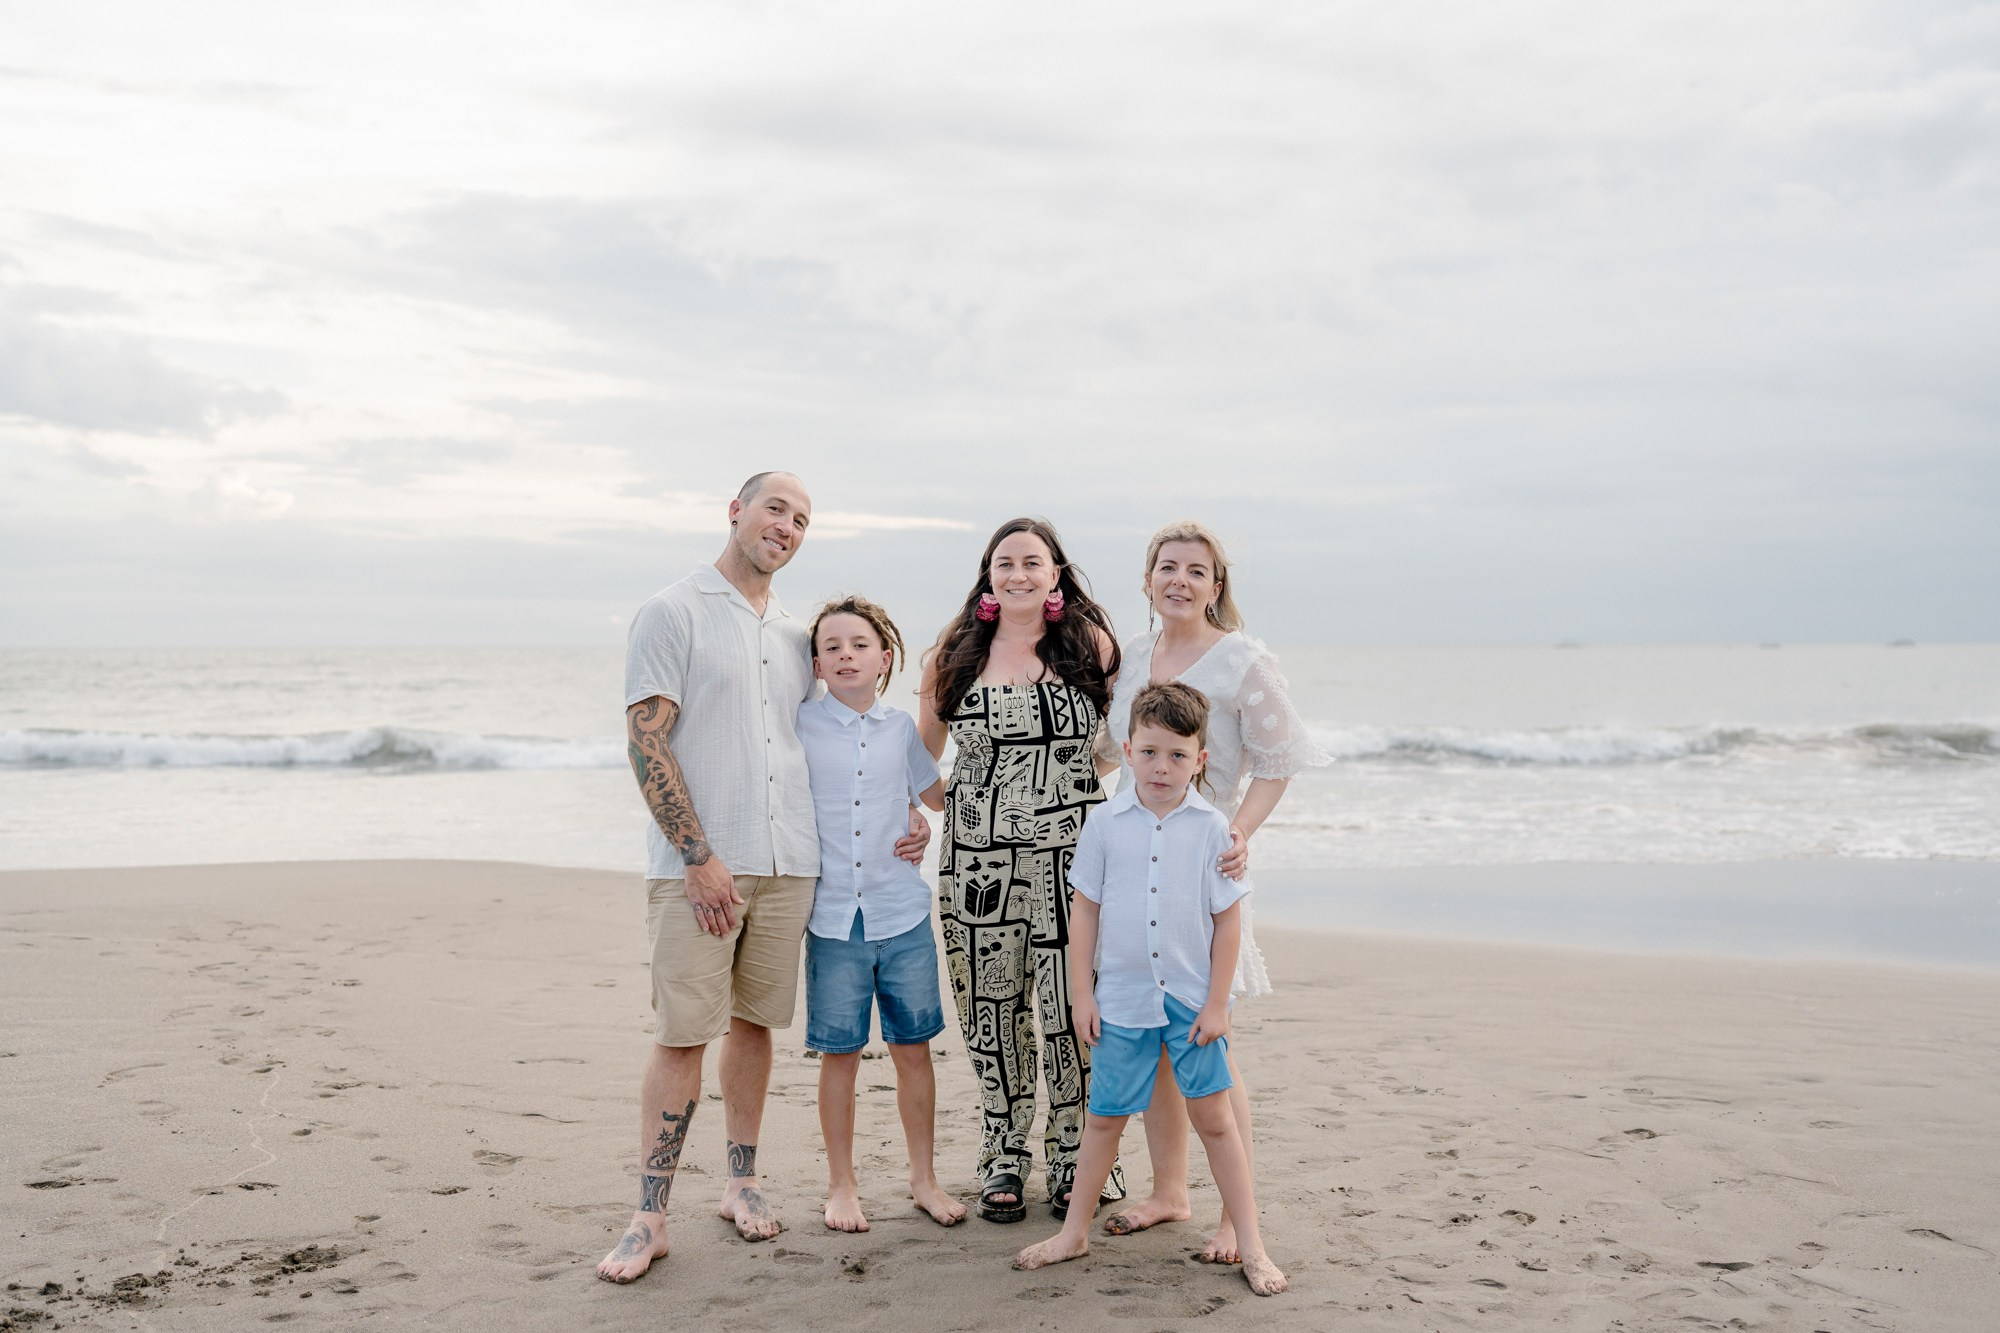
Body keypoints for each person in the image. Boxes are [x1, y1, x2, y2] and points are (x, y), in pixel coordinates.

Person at [597, 472, 930, 1284]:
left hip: (794, 867)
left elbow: (839, 740)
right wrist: (698, 855)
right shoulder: (672, 610)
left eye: (802, 519)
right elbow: (648, 743)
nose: (787, 525)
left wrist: (908, 815)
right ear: (736, 511)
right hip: (704, 866)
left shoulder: (794, 634)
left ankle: (740, 1181)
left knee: (755, 1025)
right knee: (682, 1031)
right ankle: (649, 1214)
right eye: (775, 508)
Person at [1101, 519, 1330, 1263]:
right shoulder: (1133, 657)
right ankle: (1170, 1190)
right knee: (1158, 1041)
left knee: (1207, 1037)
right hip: (1138, 869)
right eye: (1167, 567)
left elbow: (1278, 759)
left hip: (1206, 867)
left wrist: (1238, 834)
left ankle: (1237, 1218)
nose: (1180, 580)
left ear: (1216, 586)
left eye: (1196, 571)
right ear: (1147, 580)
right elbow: (1111, 749)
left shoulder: (1241, 660)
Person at [1013, 681, 1288, 1296]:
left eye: (1178, 756)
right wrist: (1083, 995)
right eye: (1149, 753)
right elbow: (1083, 911)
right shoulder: (1105, 824)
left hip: (1191, 1004)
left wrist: (1219, 1003)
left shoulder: (1214, 828)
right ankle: (1073, 1233)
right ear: (1129, 750)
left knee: (1215, 1120)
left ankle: (1252, 1243)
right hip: (1122, 1001)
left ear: (1201, 759)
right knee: (1105, 1118)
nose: (1162, 768)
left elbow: (1227, 920)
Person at [917, 516, 1125, 1223]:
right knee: (991, 1006)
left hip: (1076, 860)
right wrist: (971, 806)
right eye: (1004, 562)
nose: (1018, 573)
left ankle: (1077, 1157)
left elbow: (1111, 749)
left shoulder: (1093, 645)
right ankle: (1003, 1155)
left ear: (1057, 573)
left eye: (1032, 561)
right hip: (979, 863)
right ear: (988, 574)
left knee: (1075, 1006)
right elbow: (921, 757)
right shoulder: (955, 650)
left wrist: (1059, 798)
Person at [796, 594, 966, 1233]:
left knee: (913, 1049)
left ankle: (922, 1178)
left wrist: (923, 824)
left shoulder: (900, 730)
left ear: (884, 658)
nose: (846, 655)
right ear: (816, 662)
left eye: (859, 645)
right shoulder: (798, 726)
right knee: (839, 1054)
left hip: (902, 916)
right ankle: (841, 1185)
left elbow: (938, 797)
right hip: (833, 918)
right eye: (833, 646)